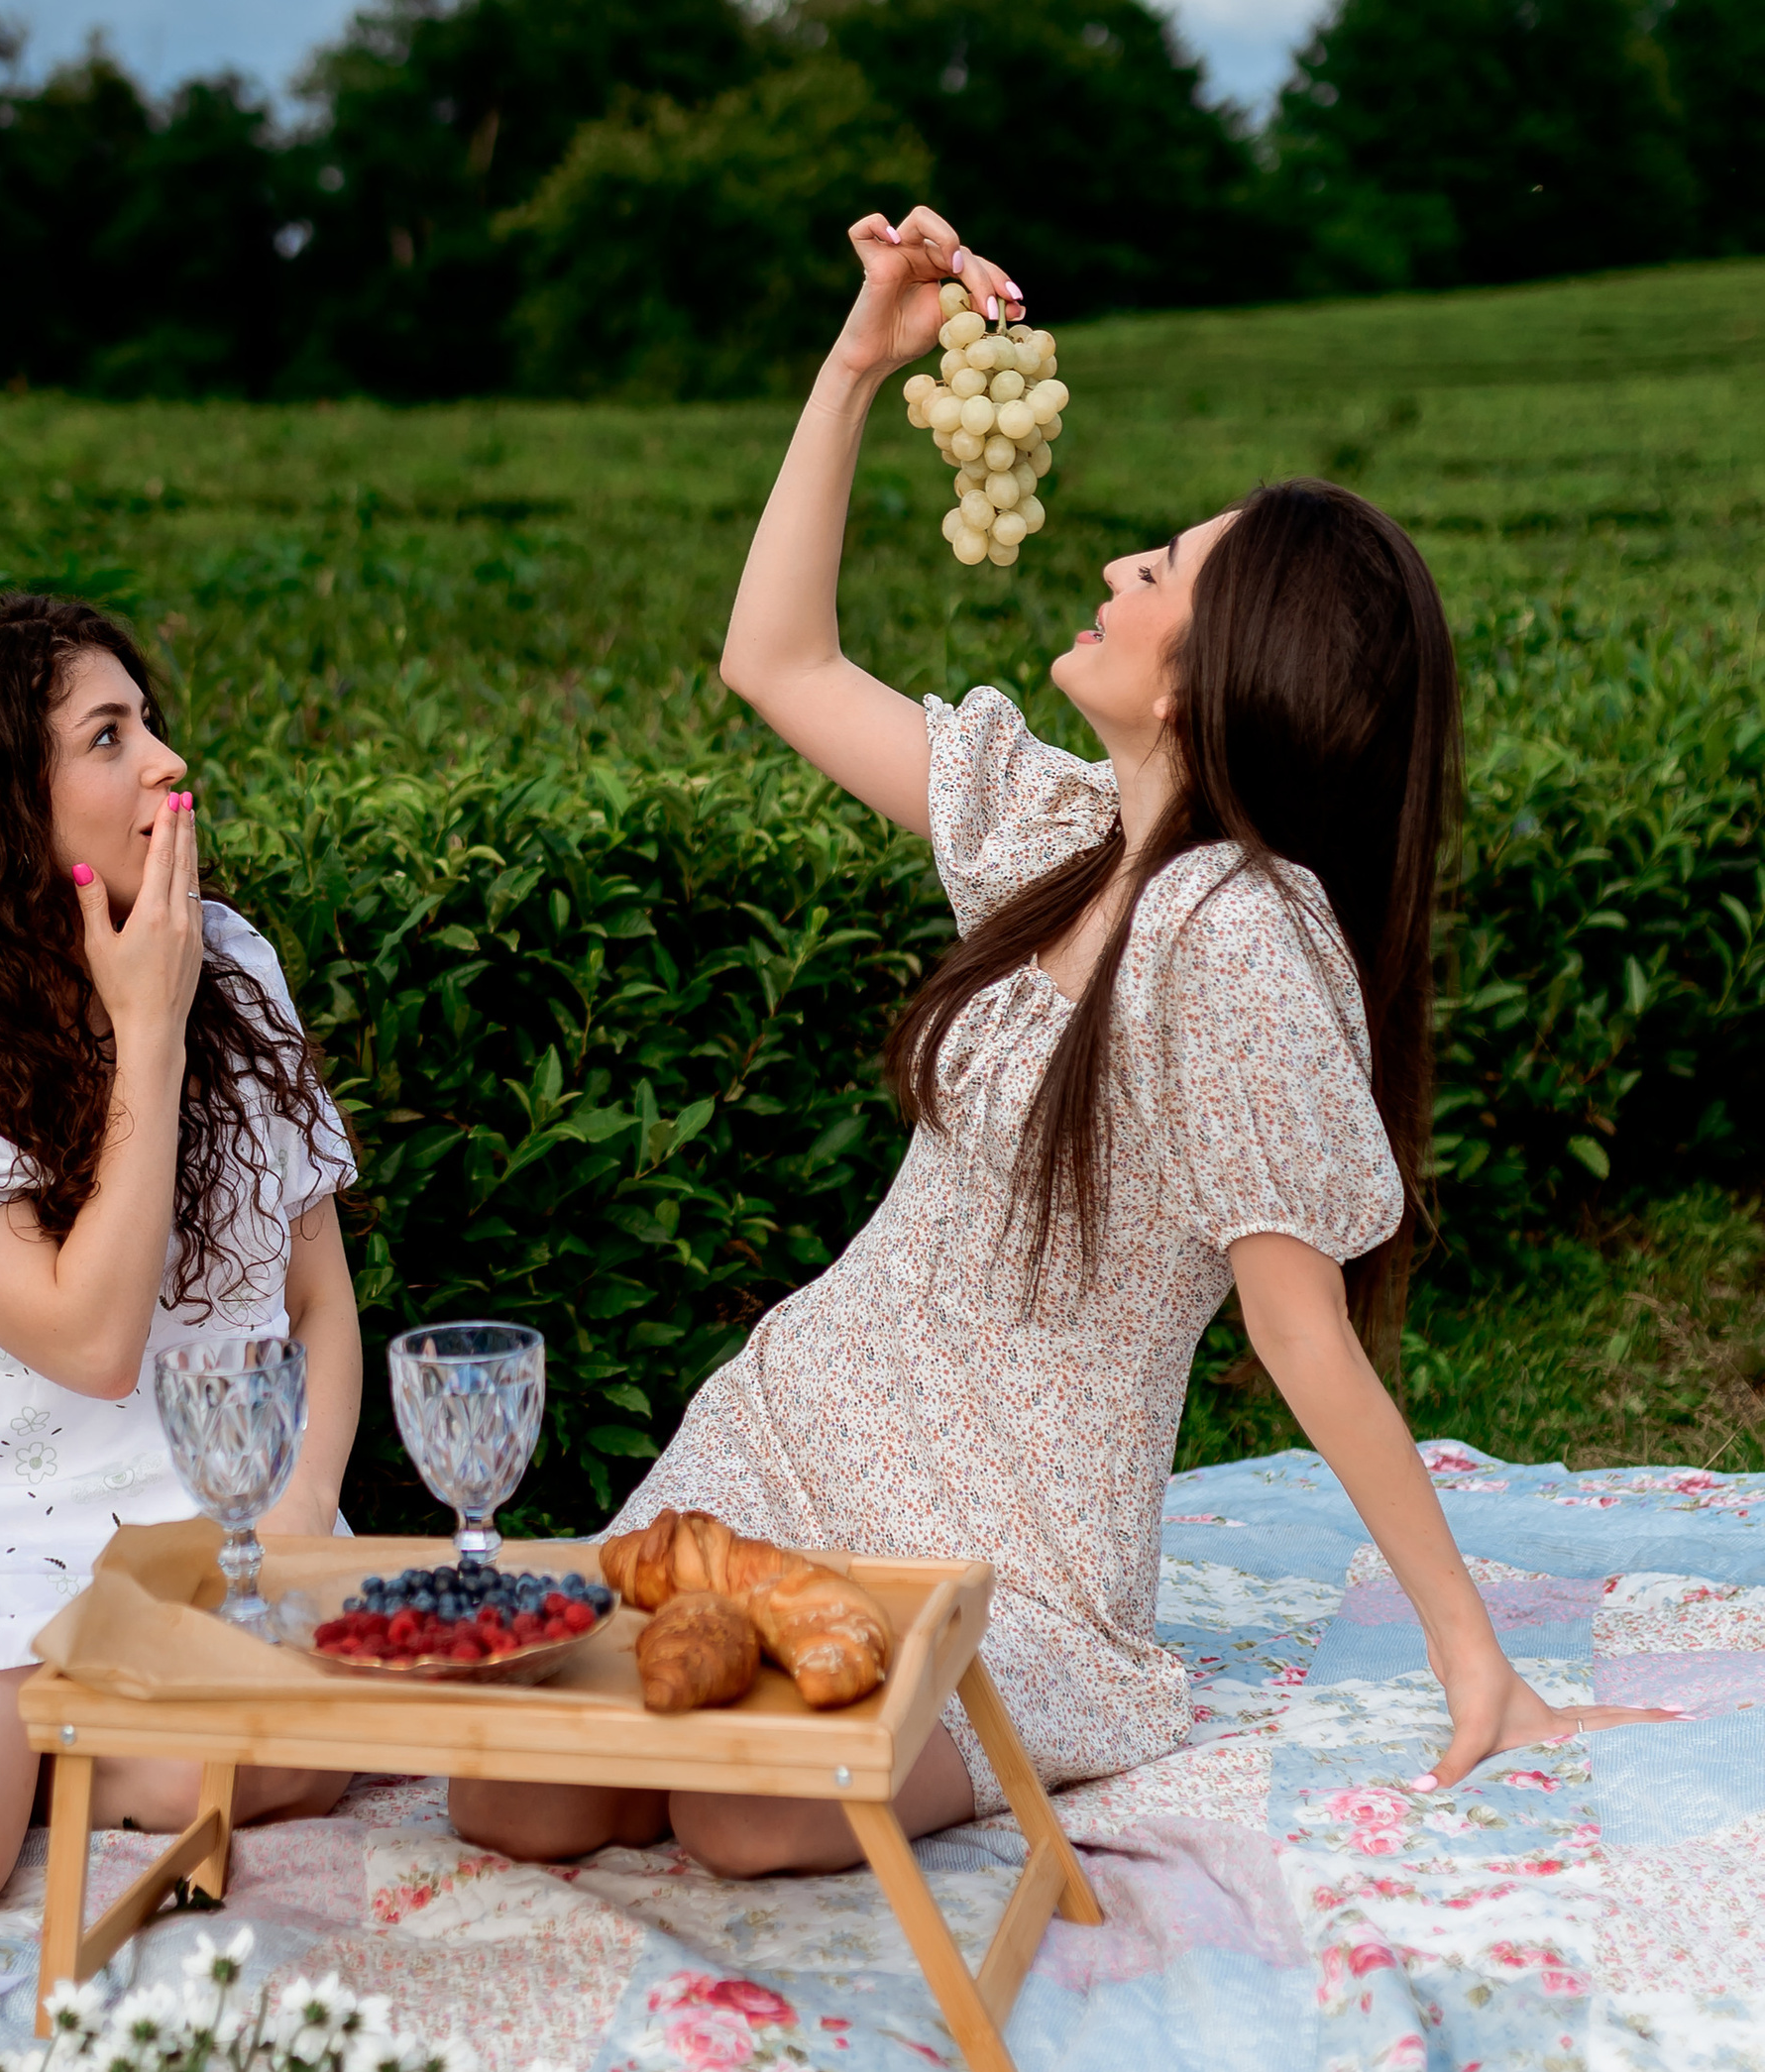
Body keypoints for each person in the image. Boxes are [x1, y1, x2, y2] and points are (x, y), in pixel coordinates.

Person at [452, 203, 1661, 1881]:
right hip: (791, 1435)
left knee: (746, 1812)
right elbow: (773, 657)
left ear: (1206, 678)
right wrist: (862, 357)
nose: (1111, 567)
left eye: (1158, 572)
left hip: (1007, 1554)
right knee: (505, 1794)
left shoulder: (1236, 939)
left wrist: (1479, 1662)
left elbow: (1303, 1337)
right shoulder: (1058, 832)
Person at [0, 593, 358, 1915]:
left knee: (283, 1764)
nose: (165, 762)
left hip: (218, 1508)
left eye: (147, 722)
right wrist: (144, 1034)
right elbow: (93, 1345)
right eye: (109, 738)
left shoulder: (231, 961)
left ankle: (77, 1729)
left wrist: (298, 1531)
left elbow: (318, 1295)